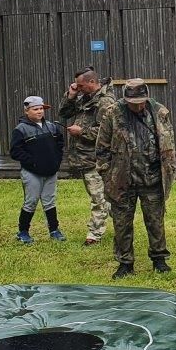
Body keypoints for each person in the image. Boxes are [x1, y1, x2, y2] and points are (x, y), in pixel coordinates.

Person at [96, 79, 176, 279]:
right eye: (133, 102)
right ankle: (125, 263)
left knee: (155, 221)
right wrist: (107, 175)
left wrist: (168, 170)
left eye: (141, 101)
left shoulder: (160, 112)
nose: (138, 105)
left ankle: (159, 259)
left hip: (152, 178)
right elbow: (102, 148)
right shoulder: (112, 113)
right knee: (122, 224)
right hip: (122, 180)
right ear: (126, 99)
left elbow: (169, 144)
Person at [58, 66, 116, 246]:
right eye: (77, 86)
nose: (79, 88)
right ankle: (121, 219)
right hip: (84, 157)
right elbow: (64, 113)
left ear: (92, 82)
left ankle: (94, 234)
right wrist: (71, 95)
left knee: (98, 197)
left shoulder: (105, 102)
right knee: (105, 197)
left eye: (81, 85)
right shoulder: (84, 97)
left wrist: (81, 131)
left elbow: (108, 132)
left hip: (98, 159)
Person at [8, 96, 66, 245]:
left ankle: (54, 230)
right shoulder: (20, 130)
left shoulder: (52, 127)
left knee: (49, 201)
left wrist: (56, 161)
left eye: (41, 109)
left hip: (51, 171)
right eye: (35, 109)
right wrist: (33, 163)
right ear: (27, 111)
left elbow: (60, 144)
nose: (39, 111)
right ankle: (23, 232)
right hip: (31, 173)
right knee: (31, 201)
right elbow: (15, 152)